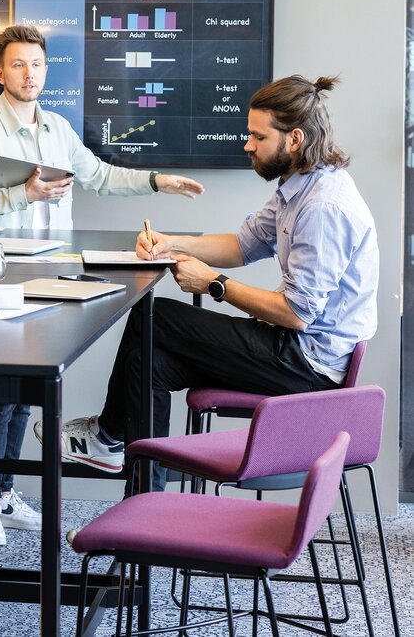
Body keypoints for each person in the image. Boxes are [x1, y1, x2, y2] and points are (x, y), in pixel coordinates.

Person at [45, 74, 378, 496]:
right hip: (294, 349)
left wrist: (214, 283)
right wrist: (172, 241)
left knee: (158, 316)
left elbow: (296, 314)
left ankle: (108, 438)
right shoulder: (299, 185)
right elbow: (243, 245)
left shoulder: (324, 206)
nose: (248, 145)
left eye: (258, 136)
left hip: (309, 367)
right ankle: (148, 511)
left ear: (294, 139)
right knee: (148, 362)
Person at [0, 24, 203, 546]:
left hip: (54, 272)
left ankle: (3, 493)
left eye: (37, 64)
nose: (29, 73)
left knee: (24, 394)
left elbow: (103, 176)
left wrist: (159, 180)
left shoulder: (59, 129)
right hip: (2, 272)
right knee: (0, 392)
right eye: (18, 65)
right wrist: (24, 193)